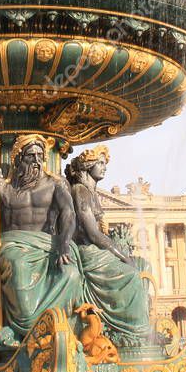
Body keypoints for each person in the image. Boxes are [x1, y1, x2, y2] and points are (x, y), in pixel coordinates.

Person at [0, 135, 81, 344]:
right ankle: (25, 329)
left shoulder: (56, 184)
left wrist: (64, 244)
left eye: (40, 156)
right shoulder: (3, 188)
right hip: (14, 245)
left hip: (48, 245)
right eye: (30, 156)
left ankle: (58, 328)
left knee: (71, 274)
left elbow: (69, 214)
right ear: (18, 159)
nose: (36, 161)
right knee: (18, 266)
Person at [65, 146, 150, 346]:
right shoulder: (80, 191)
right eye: (100, 163)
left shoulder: (91, 192)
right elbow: (93, 233)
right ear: (88, 166)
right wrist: (121, 254)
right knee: (132, 276)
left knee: (143, 265)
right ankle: (131, 332)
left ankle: (136, 330)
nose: (104, 168)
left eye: (105, 163)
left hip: (97, 249)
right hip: (88, 251)